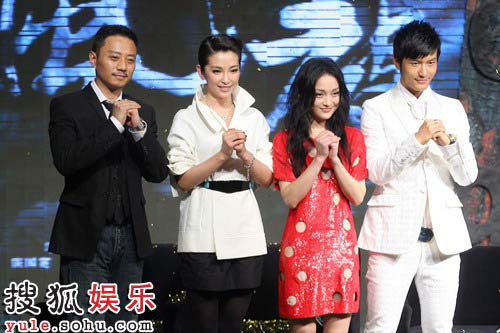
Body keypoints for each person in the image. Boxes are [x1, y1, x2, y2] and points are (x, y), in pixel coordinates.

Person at [358, 20, 478, 332]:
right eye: (415, 63)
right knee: (379, 327)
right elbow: (376, 172)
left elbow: (467, 176)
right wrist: (417, 140)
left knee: (439, 328)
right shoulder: (376, 108)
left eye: (430, 62)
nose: (424, 72)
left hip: (443, 240)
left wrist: (449, 144)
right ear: (397, 62)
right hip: (391, 238)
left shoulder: (451, 108)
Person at [48, 25, 169, 324]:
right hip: (86, 236)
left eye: (130, 59)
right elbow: (67, 161)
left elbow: (157, 172)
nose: (123, 66)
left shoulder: (144, 111)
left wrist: (138, 129)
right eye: (114, 57)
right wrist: (114, 125)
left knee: (127, 323)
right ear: (93, 58)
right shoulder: (67, 106)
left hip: (130, 237)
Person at [166, 34, 273, 333]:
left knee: (233, 325)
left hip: (245, 229)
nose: (226, 79)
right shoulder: (186, 118)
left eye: (233, 70)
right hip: (202, 232)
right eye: (216, 71)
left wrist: (245, 154)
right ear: (201, 71)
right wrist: (222, 154)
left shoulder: (253, 117)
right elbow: (183, 179)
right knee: (204, 325)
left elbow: (267, 179)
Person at [272, 57, 367, 333]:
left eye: (335, 93)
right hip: (300, 248)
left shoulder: (352, 138)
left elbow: (358, 196)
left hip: (341, 249)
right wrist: (317, 159)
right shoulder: (286, 140)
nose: (328, 101)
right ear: (305, 95)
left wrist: (336, 160)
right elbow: (290, 197)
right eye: (320, 94)